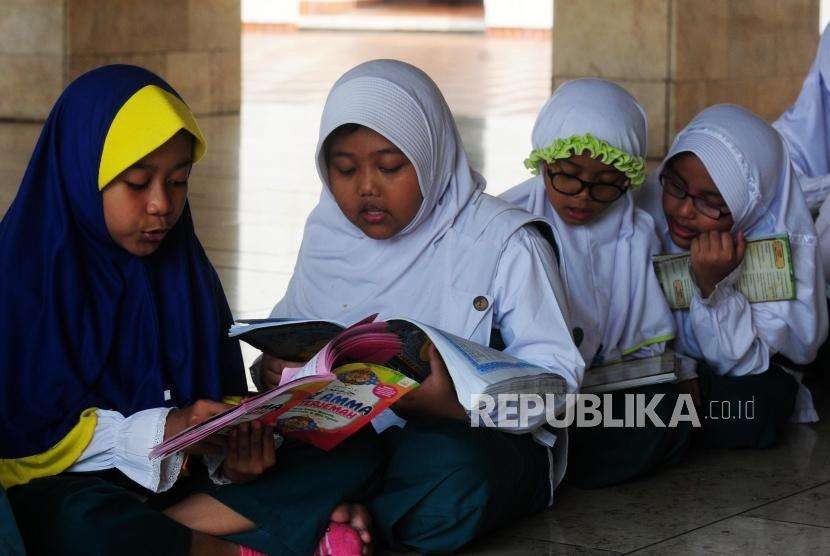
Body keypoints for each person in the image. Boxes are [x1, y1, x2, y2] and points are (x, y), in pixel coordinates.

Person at [255, 59, 585, 553]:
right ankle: (341, 525)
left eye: (390, 166)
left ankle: (326, 525)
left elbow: (557, 385)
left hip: (465, 439)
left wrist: (451, 406)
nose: (366, 186)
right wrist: (273, 373)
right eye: (344, 169)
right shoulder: (327, 234)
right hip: (346, 436)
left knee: (450, 466)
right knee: (263, 447)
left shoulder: (503, 241)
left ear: (432, 155)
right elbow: (289, 334)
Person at [502, 78, 688, 488]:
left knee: (666, 412)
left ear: (628, 180)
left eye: (605, 183)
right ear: (543, 163)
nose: (583, 197)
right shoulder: (507, 221)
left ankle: (549, 462)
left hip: (604, 394)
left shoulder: (635, 233)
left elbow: (649, 350)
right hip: (531, 394)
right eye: (567, 176)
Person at [638, 104, 828, 448]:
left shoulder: (782, 248)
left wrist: (713, 287)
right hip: (674, 373)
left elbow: (741, 365)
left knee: (748, 409)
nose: (683, 210)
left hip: (744, 375)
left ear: (750, 205)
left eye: (710, 202)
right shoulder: (642, 221)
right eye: (676, 186)